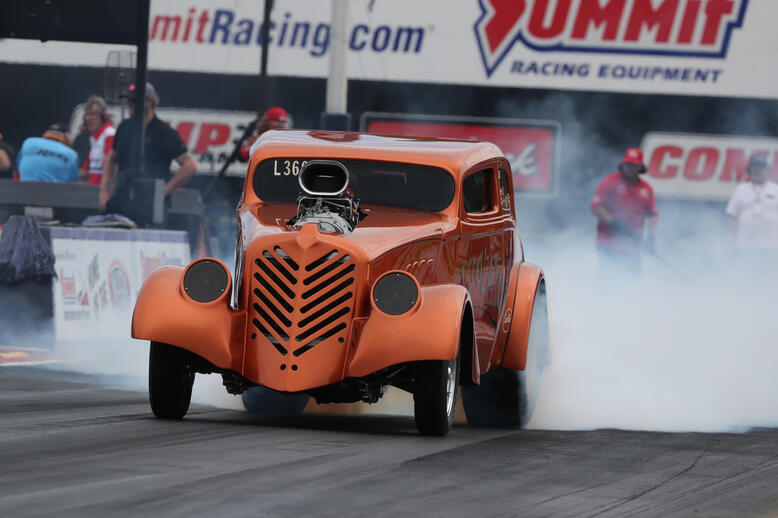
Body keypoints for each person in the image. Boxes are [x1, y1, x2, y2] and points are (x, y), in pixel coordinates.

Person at [100, 82, 197, 224]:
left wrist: (163, 192)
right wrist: (104, 191)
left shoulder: (163, 131)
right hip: (122, 200)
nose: (130, 104)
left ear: (150, 101)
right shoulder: (125, 127)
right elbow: (111, 159)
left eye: (134, 101)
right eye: (128, 101)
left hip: (149, 207)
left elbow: (190, 165)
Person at [590, 147, 658, 278]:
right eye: (628, 164)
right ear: (623, 164)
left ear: (640, 167)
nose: (630, 167)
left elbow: (653, 214)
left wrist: (651, 237)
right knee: (607, 284)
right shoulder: (610, 182)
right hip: (609, 246)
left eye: (634, 165)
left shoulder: (646, 188)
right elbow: (595, 207)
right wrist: (614, 223)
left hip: (634, 248)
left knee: (631, 286)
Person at [725, 155, 778, 252]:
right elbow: (733, 217)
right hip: (745, 244)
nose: (758, 171)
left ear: (767, 171)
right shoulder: (741, 189)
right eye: (755, 168)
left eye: (761, 168)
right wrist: (729, 238)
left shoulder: (775, 190)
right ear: (749, 171)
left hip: (772, 245)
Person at [79, 95, 115, 186]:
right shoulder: (94, 138)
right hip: (94, 192)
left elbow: (112, 166)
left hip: (104, 192)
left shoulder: (109, 134)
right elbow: (84, 171)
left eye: (92, 114)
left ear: (103, 116)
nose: (88, 118)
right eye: (86, 115)